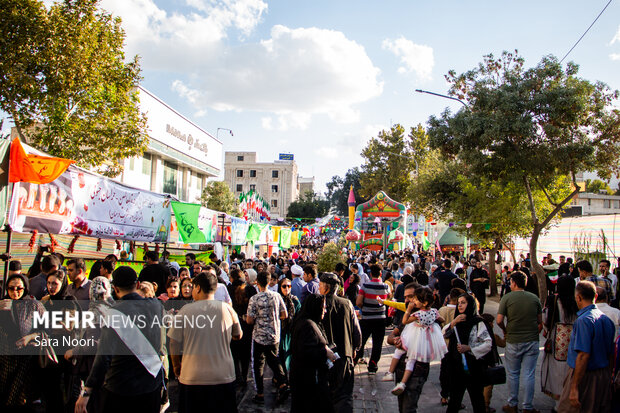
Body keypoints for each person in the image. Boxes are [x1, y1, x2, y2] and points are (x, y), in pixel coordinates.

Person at [75, 266, 165, 413]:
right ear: (137, 285)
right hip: (151, 382)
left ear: (115, 289)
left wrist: (87, 391)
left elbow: (103, 357)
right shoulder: (156, 305)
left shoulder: (114, 314)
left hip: (121, 387)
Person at [168, 272, 242, 413]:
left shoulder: (185, 311)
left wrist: (176, 365)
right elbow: (238, 335)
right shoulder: (227, 309)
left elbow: (173, 342)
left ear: (198, 288)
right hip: (223, 375)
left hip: (192, 375)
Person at [557, 280, 615, 412]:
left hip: (584, 375)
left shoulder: (584, 320)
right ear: (595, 297)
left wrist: (574, 387)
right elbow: (611, 353)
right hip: (603, 374)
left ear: (578, 297)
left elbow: (583, 355)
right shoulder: (606, 320)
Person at [382, 286, 447, 396]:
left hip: (415, 344)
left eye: (413, 298)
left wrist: (408, 311)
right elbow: (442, 319)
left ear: (424, 302)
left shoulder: (417, 314)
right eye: (406, 297)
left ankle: (390, 372)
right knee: (410, 361)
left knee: (402, 354)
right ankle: (401, 383)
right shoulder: (434, 312)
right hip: (423, 343)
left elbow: (405, 321)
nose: (410, 301)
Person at [496, 271, 542, 413]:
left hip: (513, 340)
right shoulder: (534, 298)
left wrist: (505, 330)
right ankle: (528, 406)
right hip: (532, 340)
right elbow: (540, 322)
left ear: (514, 283)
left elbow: (499, 320)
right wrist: (535, 332)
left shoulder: (507, 298)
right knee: (529, 374)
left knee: (513, 373)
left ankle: (512, 404)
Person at [0, 273, 46, 411]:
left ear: (25, 288)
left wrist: (30, 337)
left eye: (19, 288)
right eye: (11, 288)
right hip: (5, 359)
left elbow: (46, 329)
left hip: (25, 357)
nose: (15, 292)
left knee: (19, 396)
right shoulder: (3, 304)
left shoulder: (33, 305)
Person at [319, 272, 361, 413]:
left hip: (325, 357)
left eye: (320, 285)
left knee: (326, 395)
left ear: (326, 287)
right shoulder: (346, 303)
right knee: (343, 396)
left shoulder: (319, 304)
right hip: (345, 355)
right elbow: (357, 331)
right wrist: (355, 347)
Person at [245, 271, 289, 404]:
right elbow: (284, 314)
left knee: (258, 364)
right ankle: (282, 383)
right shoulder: (276, 296)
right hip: (274, 334)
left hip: (259, 336)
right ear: (269, 282)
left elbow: (249, 320)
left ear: (257, 282)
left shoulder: (254, 299)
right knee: (274, 360)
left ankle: (260, 393)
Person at [443, 293, 493, 413]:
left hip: (474, 368)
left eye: (463, 303)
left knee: (477, 399)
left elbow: (488, 344)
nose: (460, 305)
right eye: (458, 303)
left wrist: (470, 348)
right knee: (455, 399)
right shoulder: (457, 322)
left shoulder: (478, 323)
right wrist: (453, 323)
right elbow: (443, 334)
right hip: (457, 367)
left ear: (470, 304)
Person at [289, 294, 336, 413]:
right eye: (323, 308)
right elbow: (307, 353)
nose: (325, 311)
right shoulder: (307, 326)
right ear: (315, 307)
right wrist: (325, 352)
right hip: (308, 382)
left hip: (307, 379)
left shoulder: (310, 322)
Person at [386, 283, 429, 413]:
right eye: (405, 297)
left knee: (408, 408)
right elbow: (391, 336)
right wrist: (395, 340)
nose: (407, 301)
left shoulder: (427, 317)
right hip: (401, 369)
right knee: (402, 406)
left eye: (410, 297)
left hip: (417, 370)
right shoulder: (407, 317)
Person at [541, 276, 578, 411]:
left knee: (556, 370)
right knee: (571, 368)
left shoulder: (553, 300)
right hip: (574, 338)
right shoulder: (577, 301)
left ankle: (559, 404)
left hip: (557, 337)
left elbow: (546, 318)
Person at [356, 264, 390, 373]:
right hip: (380, 318)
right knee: (378, 342)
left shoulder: (365, 286)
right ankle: (373, 364)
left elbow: (359, 302)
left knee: (362, 340)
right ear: (380, 274)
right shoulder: (385, 287)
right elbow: (388, 299)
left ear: (371, 274)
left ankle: (356, 358)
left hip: (367, 318)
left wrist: (365, 307)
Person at [228, 268, 255, 386]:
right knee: (245, 354)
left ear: (232, 278)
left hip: (232, 324)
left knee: (234, 352)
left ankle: (237, 375)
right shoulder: (251, 289)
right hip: (247, 325)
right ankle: (244, 376)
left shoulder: (228, 289)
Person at [438, 288, 463, 406]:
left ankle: (444, 396)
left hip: (444, 345)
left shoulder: (442, 310)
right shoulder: (461, 312)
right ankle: (455, 398)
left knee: (445, 371)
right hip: (458, 346)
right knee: (456, 373)